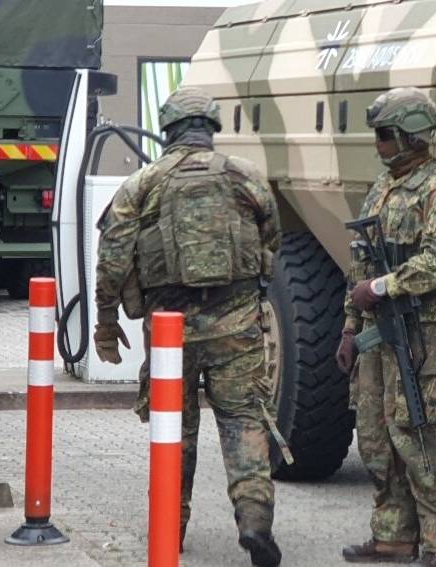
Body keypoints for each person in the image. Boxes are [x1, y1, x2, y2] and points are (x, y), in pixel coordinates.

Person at [94, 86, 283, 566]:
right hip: (237, 323)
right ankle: (255, 521)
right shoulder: (247, 177)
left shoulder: (142, 183)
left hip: (170, 331)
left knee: (172, 430)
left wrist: (105, 321)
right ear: (212, 128)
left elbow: (113, 259)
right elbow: (272, 239)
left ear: (168, 128)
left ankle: (170, 530)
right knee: (244, 420)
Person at [337, 87, 436, 567]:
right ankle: (392, 536)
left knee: (419, 433)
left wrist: (383, 287)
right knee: (375, 435)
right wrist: (350, 328)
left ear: (407, 135)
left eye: (383, 136)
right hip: (379, 328)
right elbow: (359, 265)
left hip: (419, 331)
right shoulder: (384, 186)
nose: (377, 145)